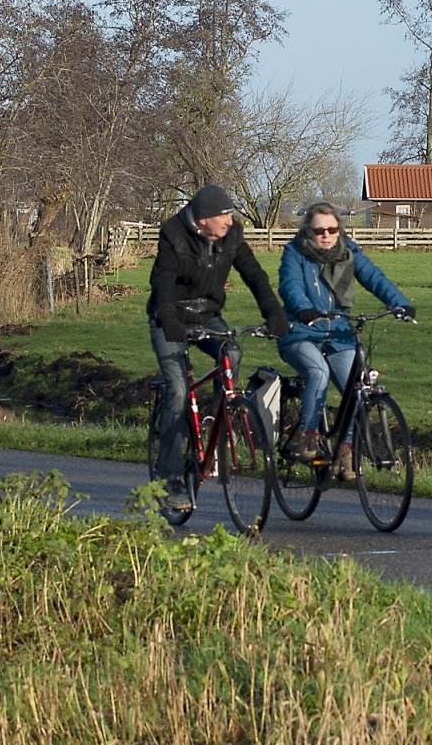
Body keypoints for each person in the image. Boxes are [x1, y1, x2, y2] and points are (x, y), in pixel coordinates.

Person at [148, 185, 290, 508]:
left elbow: (254, 275)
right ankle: (168, 479)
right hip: (167, 319)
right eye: (223, 214)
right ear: (203, 219)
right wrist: (169, 320)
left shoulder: (232, 235)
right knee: (178, 391)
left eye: (230, 213)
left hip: (208, 316)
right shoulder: (173, 234)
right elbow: (164, 282)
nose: (229, 220)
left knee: (232, 353)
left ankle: (219, 421)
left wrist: (273, 312)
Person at [278, 201, 415, 480]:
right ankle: (307, 437)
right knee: (318, 372)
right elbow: (289, 285)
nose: (326, 235)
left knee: (358, 385)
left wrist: (400, 304)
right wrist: (303, 309)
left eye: (332, 229)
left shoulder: (348, 252)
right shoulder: (294, 253)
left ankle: (347, 451)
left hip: (339, 333)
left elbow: (374, 278)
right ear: (308, 231)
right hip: (301, 332)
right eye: (319, 230)